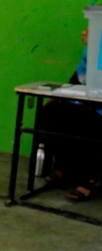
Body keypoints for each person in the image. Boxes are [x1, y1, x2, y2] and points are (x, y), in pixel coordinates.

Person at [35, 28, 102, 202]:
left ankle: (93, 177)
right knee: (50, 113)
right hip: (84, 100)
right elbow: (78, 78)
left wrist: (96, 49)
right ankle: (67, 169)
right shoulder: (94, 42)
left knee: (88, 122)